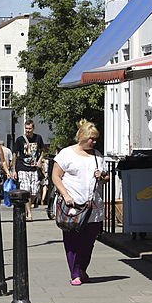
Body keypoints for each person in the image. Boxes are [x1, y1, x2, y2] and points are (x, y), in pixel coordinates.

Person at [52, 119, 109, 286]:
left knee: (89, 242)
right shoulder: (66, 154)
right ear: (82, 137)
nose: (94, 142)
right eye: (91, 138)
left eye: (96, 139)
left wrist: (102, 176)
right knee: (72, 240)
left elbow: (106, 177)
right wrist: (66, 195)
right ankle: (75, 273)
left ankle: (82, 268)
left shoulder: (97, 156)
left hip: (93, 206)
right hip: (72, 206)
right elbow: (55, 176)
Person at [11, 119, 46, 217]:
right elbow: (15, 154)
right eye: (26, 128)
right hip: (22, 167)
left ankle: (28, 208)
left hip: (34, 168)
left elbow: (43, 150)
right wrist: (14, 170)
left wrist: (40, 160)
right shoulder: (19, 140)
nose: (28, 130)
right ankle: (29, 213)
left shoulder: (38, 138)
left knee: (34, 191)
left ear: (33, 128)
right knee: (26, 190)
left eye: (30, 128)